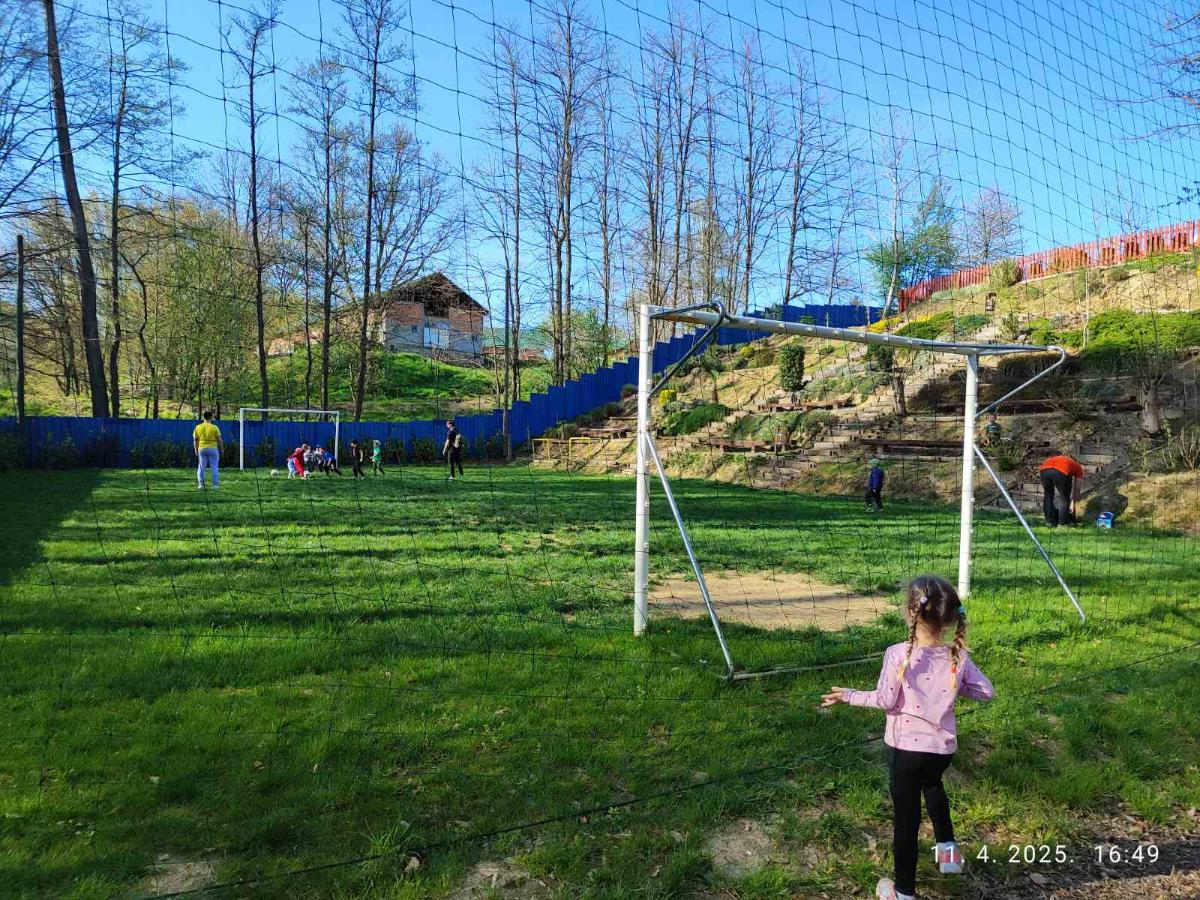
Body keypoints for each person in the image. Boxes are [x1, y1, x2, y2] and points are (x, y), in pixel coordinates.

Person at [821, 575, 994, 900]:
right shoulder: (958, 656)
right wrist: (952, 688)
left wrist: (847, 695)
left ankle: (902, 893)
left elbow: (885, 700)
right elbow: (986, 692)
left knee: (906, 821)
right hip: (941, 752)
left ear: (910, 612)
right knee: (933, 786)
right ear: (948, 618)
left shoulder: (897, 654)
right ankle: (949, 858)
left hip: (906, 752)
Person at [1038, 452, 1084, 526]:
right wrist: (1073, 503)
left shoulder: (1060, 459)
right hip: (1060, 470)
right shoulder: (1077, 466)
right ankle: (1063, 522)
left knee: (1048, 495)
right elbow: (1077, 488)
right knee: (1064, 498)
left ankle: (1050, 521)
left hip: (1044, 469)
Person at [193, 410, 224, 490]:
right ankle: (215, 485)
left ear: (203, 417)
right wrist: (221, 449)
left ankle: (201, 485)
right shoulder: (215, 427)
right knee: (214, 467)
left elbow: (195, 440)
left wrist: (196, 449)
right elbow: (219, 440)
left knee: (201, 467)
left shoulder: (198, 427)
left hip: (201, 448)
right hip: (213, 448)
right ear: (211, 417)